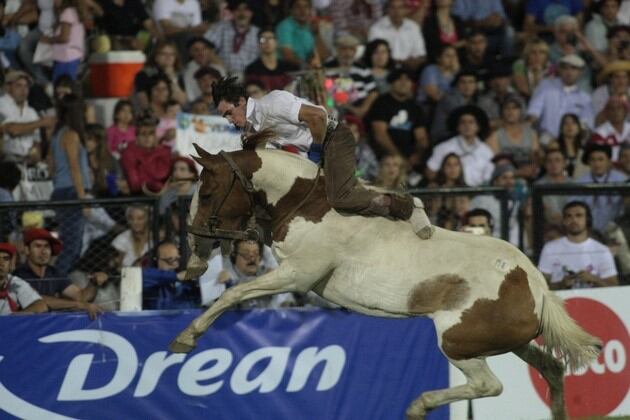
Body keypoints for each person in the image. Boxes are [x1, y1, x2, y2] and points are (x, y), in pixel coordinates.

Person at [212, 76, 434, 239]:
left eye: (228, 113)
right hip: (319, 147)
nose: (229, 120)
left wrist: (317, 150)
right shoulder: (254, 127)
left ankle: (407, 205)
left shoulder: (272, 102)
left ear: (241, 101)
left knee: (340, 197)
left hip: (334, 138)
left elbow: (317, 115)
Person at [13, 228, 101, 317]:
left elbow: (81, 297)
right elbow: (39, 301)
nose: (43, 251)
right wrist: (79, 305)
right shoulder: (19, 275)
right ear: (27, 250)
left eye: (47, 246)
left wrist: (94, 282)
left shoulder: (54, 272)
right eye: (38, 246)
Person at [49, 94, 91, 277]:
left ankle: (60, 284)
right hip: (71, 193)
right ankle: (54, 285)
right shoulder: (71, 135)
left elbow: (51, 167)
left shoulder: (57, 134)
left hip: (61, 191)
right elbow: (75, 168)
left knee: (70, 245)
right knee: (71, 246)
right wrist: (83, 201)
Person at [538, 201, 619, 290]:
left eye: (579, 215)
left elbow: (614, 287)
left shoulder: (602, 250)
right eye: (569, 216)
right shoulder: (550, 248)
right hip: (559, 301)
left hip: (593, 302)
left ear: (587, 220)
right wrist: (561, 284)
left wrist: (594, 279)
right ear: (564, 221)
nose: (574, 220)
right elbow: (539, 286)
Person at [365, 68, 428, 170]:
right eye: (399, 79)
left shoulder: (416, 107)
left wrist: (417, 156)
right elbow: (380, 135)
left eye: (408, 79)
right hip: (383, 156)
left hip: (410, 159)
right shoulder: (381, 103)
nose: (404, 83)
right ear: (392, 83)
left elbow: (421, 138)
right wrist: (399, 158)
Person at [200, 238, 289, 308]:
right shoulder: (221, 277)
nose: (252, 258)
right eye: (246, 254)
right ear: (235, 256)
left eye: (256, 253)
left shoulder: (270, 275)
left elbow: (286, 305)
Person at [527, 54, 594, 142]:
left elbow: (587, 125)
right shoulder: (545, 86)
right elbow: (533, 113)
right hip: (545, 138)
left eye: (573, 68)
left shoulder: (585, 98)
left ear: (580, 72)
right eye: (565, 68)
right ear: (559, 70)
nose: (569, 72)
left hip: (572, 142)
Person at [426, 105, 494, 187]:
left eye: (471, 122)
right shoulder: (443, 147)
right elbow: (431, 173)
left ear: (478, 127)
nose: (467, 126)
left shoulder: (486, 151)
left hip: (479, 194)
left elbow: (489, 177)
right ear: (457, 127)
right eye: (463, 122)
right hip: (451, 193)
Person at [0, 71, 55, 163]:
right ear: (8, 87)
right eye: (18, 86)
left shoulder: (31, 112)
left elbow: (36, 142)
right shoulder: (1, 104)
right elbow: (12, 130)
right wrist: (40, 123)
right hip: (6, 161)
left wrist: (35, 156)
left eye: (26, 86)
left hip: (27, 161)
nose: (23, 90)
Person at [575, 143, 627, 232]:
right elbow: (575, 207)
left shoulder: (623, 180)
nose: (597, 163)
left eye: (601, 159)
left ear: (609, 161)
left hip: (618, 229)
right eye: (593, 160)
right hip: (589, 230)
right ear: (588, 162)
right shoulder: (580, 183)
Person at [486, 94, 540, 179]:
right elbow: (495, 163)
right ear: (502, 111)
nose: (510, 111)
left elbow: (534, 157)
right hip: (505, 178)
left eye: (515, 108)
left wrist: (532, 168)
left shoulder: (531, 134)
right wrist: (517, 173)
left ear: (521, 111)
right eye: (507, 108)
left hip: (529, 177)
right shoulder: (495, 136)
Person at [120, 114, 173, 194]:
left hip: (166, 195)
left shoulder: (165, 152)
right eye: (143, 134)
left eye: (151, 134)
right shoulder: (129, 153)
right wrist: (155, 185)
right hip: (139, 197)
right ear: (137, 137)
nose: (147, 137)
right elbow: (135, 184)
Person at [367, 0, 426, 72]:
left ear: (406, 10)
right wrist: (399, 63)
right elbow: (374, 57)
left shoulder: (413, 27)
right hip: (385, 71)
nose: (397, 11)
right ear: (387, 10)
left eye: (400, 8)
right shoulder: (376, 29)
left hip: (408, 71)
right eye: (392, 8)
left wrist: (402, 64)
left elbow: (420, 56)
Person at [205, 0, 259, 76]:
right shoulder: (221, 27)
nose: (242, 14)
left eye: (246, 10)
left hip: (248, 76)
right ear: (232, 12)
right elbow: (204, 46)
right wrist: (217, 63)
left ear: (251, 13)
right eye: (237, 10)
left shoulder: (257, 33)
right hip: (222, 73)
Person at [142, 241, 198, 309]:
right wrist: (178, 276)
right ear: (156, 260)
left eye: (177, 259)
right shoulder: (148, 277)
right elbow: (145, 276)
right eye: (170, 260)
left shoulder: (185, 284)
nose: (175, 264)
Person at [40, 0, 85, 81]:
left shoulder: (67, 13)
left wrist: (48, 40)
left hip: (66, 58)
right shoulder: (73, 11)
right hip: (70, 57)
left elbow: (64, 38)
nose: (54, 1)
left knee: (62, 85)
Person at [275, 0, 329, 68]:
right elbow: (287, 56)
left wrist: (316, 34)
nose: (302, 10)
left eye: (306, 7)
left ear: (310, 11)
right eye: (298, 7)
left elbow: (325, 56)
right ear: (291, 10)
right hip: (286, 69)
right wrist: (307, 66)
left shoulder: (311, 26)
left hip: (305, 69)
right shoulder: (285, 26)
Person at [430, 70, 478, 143]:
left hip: (458, 136)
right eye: (463, 82)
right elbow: (464, 118)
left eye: (471, 82)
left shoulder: (474, 100)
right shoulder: (450, 99)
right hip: (442, 139)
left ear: (476, 85)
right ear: (457, 85)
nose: (467, 86)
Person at [244, 27, 297, 92]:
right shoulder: (252, 69)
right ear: (258, 44)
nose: (267, 42)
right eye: (262, 39)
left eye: (271, 38)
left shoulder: (288, 67)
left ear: (277, 42)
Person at [0, 242, 47, 314]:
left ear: (10, 264)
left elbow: (41, 306)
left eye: (6, 259)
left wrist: (13, 318)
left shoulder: (14, 282)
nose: (1, 263)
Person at [535, 149, 573, 226]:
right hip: (547, 228)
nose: (553, 164)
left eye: (557, 160)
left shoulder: (574, 184)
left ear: (564, 163)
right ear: (545, 165)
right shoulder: (538, 186)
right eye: (549, 161)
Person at [182, 36, 225, 102]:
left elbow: (226, 91)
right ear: (190, 53)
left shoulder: (218, 68)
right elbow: (191, 97)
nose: (201, 53)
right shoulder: (188, 71)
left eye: (204, 48)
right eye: (196, 50)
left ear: (209, 50)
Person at [591, 96, 630, 162]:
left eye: (619, 108)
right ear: (607, 113)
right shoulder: (599, 134)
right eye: (612, 109)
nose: (616, 112)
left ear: (625, 111)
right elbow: (598, 159)